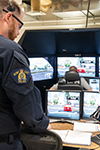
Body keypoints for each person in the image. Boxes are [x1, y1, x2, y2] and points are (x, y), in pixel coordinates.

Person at [0, 0, 51, 149]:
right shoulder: (9, 50)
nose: (18, 32)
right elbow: (26, 102)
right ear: (8, 17)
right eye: (19, 26)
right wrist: (41, 124)